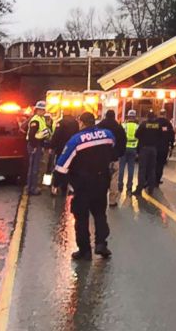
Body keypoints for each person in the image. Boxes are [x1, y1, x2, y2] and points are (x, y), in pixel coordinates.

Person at [54, 111, 115, 260]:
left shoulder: (76, 140)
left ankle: (85, 250)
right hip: (101, 182)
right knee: (100, 213)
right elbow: (113, 150)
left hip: (82, 184)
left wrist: (57, 183)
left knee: (81, 218)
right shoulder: (107, 135)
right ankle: (101, 243)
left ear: (81, 123)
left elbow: (62, 165)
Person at [134, 109, 174, 195]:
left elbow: (136, 135)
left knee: (142, 169)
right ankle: (151, 189)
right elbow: (162, 135)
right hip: (154, 149)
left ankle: (139, 188)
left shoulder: (144, 124)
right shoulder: (158, 125)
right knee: (152, 169)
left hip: (144, 149)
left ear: (147, 117)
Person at [99, 109, 126, 207]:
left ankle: (99, 199)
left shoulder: (99, 127)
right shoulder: (119, 128)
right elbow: (123, 141)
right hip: (114, 157)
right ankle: (112, 201)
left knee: (99, 177)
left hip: (100, 157)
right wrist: (120, 154)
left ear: (105, 116)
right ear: (114, 116)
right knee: (114, 179)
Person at [24, 101, 52, 195]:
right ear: (38, 110)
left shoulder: (41, 119)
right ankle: (32, 188)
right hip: (34, 145)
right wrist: (35, 146)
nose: (44, 112)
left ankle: (32, 187)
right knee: (34, 168)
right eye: (43, 110)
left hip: (38, 145)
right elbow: (32, 136)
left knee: (36, 167)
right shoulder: (35, 120)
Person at [49, 111, 80, 195]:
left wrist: (51, 146)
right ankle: (65, 186)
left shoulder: (61, 123)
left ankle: (55, 186)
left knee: (59, 167)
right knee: (70, 168)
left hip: (61, 148)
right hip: (73, 149)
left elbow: (56, 135)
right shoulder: (76, 123)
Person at [118, 110, 139, 195]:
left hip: (124, 149)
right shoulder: (137, 126)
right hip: (133, 148)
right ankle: (129, 186)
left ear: (128, 117)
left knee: (121, 168)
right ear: (134, 117)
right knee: (131, 168)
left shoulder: (123, 125)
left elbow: (120, 137)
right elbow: (139, 138)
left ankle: (120, 185)